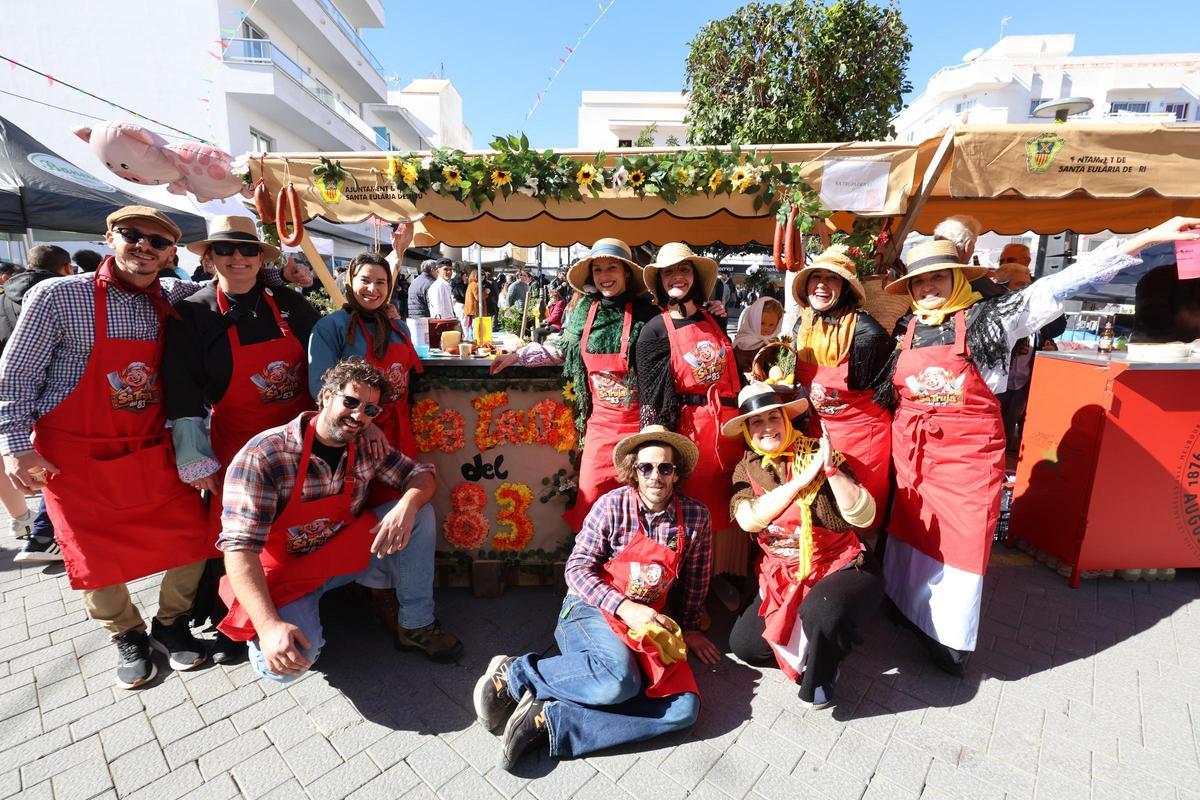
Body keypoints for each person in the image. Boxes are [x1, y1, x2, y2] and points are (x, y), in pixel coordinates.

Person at [0, 205, 310, 688]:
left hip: (152, 446)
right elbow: (15, 376)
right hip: (74, 455)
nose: (144, 247)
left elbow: (234, 283)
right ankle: (126, 633)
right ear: (110, 236)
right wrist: (16, 446)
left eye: (158, 242)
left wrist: (285, 277)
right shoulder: (57, 295)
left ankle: (171, 623)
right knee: (92, 555)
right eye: (132, 235)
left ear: (170, 254)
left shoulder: (174, 295)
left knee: (193, 539)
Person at [878, 217, 1200, 676]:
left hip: (966, 457)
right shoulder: (910, 326)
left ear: (955, 277)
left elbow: (1066, 281)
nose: (928, 287)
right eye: (919, 280)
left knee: (963, 541)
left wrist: (1144, 240)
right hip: (914, 454)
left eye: (936, 277)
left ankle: (947, 640)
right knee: (911, 529)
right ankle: (903, 605)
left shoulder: (994, 317)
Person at [473, 424, 718, 770]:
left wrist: (690, 627)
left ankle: (553, 720)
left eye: (665, 467)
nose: (655, 476)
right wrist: (624, 607)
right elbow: (575, 570)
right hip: (591, 609)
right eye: (646, 467)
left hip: (646, 625)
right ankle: (513, 673)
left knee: (683, 710)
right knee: (620, 680)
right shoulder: (612, 505)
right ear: (634, 470)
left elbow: (696, 578)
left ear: (677, 474)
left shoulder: (695, 517)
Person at [218, 357, 462, 679]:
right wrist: (267, 627)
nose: (359, 415)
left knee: (421, 514)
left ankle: (415, 626)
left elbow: (421, 475)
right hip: (286, 574)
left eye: (370, 410)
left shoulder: (366, 445)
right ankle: (265, 633)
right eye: (351, 402)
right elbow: (238, 550)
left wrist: (407, 505)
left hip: (340, 556)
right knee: (289, 663)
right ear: (325, 396)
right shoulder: (265, 455)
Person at [163, 216, 321, 663]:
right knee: (237, 536)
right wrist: (196, 460)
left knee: (294, 525)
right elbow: (181, 389)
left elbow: (327, 348)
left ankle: (299, 601)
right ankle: (235, 621)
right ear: (209, 257)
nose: (237, 258)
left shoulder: (288, 303)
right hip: (236, 444)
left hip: (296, 439)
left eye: (247, 250)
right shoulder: (192, 312)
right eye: (226, 250)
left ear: (259, 258)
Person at [724, 383, 881, 708]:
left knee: (822, 610)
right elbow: (748, 520)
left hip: (838, 565)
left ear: (785, 418)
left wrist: (829, 470)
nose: (766, 427)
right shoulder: (746, 467)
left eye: (773, 417)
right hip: (783, 574)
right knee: (746, 647)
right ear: (747, 431)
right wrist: (799, 481)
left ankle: (825, 667)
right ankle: (810, 644)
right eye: (756, 421)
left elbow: (864, 516)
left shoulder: (819, 451)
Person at [492, 239, 658, 529]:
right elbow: (561, 348)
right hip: (600, 426)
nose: (605, 276)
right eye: (598, 270)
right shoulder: (585, 310)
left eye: (612, 268)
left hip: (639, 429)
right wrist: (519, 355)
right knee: (592, 496)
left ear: (627, 273)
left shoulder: (648, 312)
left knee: (638, 504)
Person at [635, 243, 744, 575]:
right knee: (690, 510)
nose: (677, 277)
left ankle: (721, 573)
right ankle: (690, 581)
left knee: (730, 502)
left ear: (694, 277)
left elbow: (727, 369)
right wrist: (655, 442)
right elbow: (650, 396)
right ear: (661, 282)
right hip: (688, 432)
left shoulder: (714, 317)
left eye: (683, 270)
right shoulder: (655, 329)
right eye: (669, 272)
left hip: (728, 430)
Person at [789, 245, 894, 519]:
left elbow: (887, 388)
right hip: (817, 432)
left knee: (860, 509)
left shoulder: (865, 331)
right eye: (816, 277)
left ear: (845, 288)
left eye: (831, 278)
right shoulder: (803, 325)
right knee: (821, 508)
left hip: (862, 437)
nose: (822, 285)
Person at [308, 252, 423, 458]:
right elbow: (320, 386)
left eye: (381, 282)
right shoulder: (331, 326)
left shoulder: (398, 327)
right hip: (354, 430)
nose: (373, 289)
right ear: (350, 282)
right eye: (365, 280)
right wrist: (364, 423)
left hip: (399, 425)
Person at [1, 245, 73, 548]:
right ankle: (43, 534)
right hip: (51, 406)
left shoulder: (4, 298)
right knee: (54, 472)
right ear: (66, 268)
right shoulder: (61, 296)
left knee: (24, 467)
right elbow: (20, 367)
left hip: (12, 403)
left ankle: (25, 523)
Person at [732, 296, 784, 375]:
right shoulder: (743, 341)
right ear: (753, 320)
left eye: (772, 324)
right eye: (762, 323)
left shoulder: (775, 343)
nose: (767, 328)